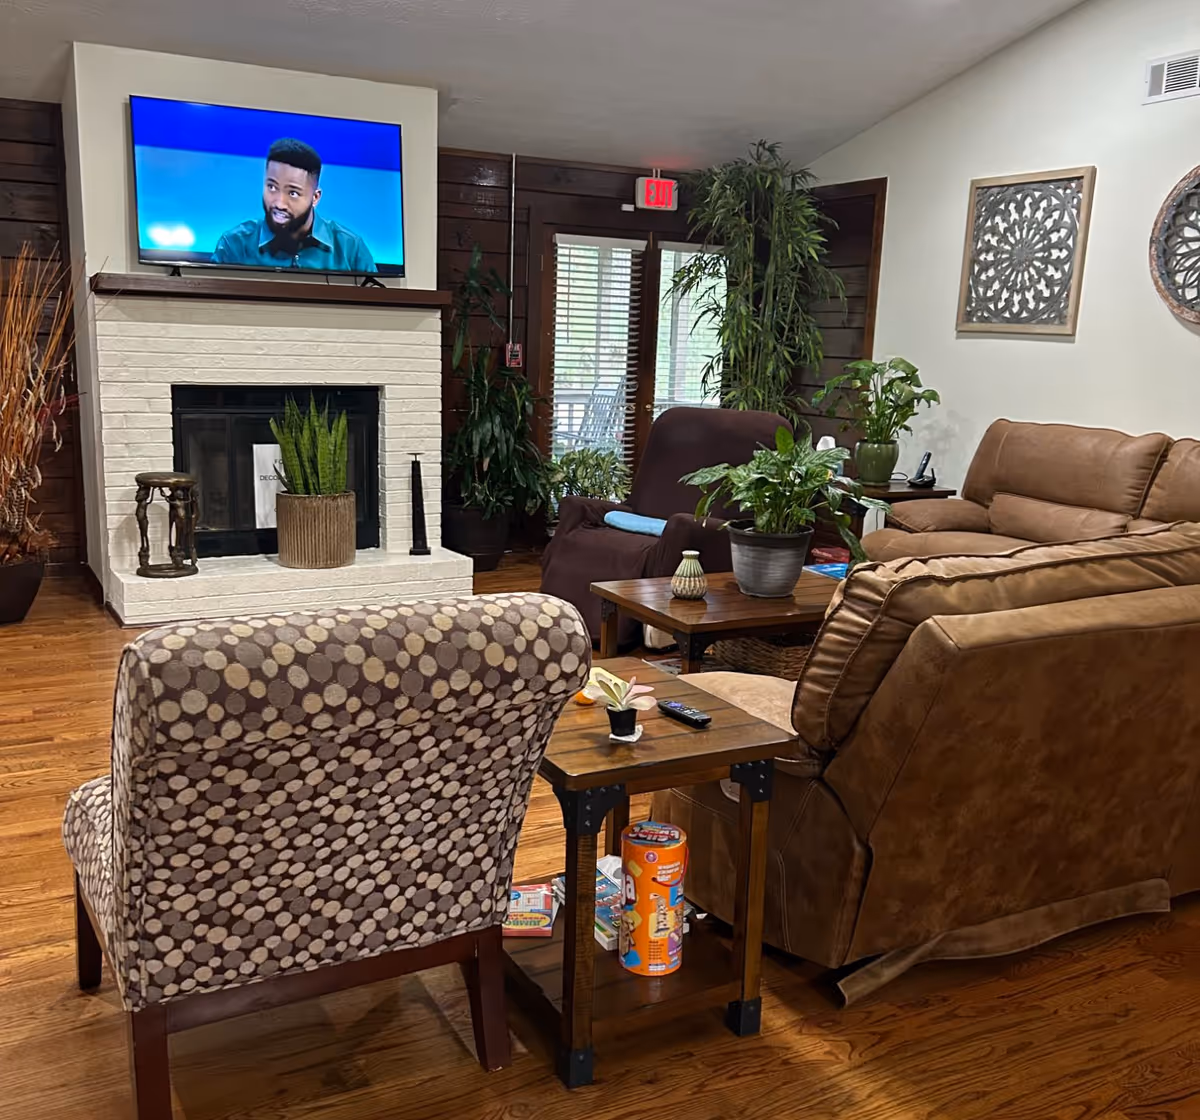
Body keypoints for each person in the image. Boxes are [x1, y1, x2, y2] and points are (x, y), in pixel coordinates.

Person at [212, 138, 376, 273]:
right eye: (272, 187)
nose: (279, 203)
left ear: (315, 198)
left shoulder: (350, 248)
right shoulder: (234, 244)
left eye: (293, 193)